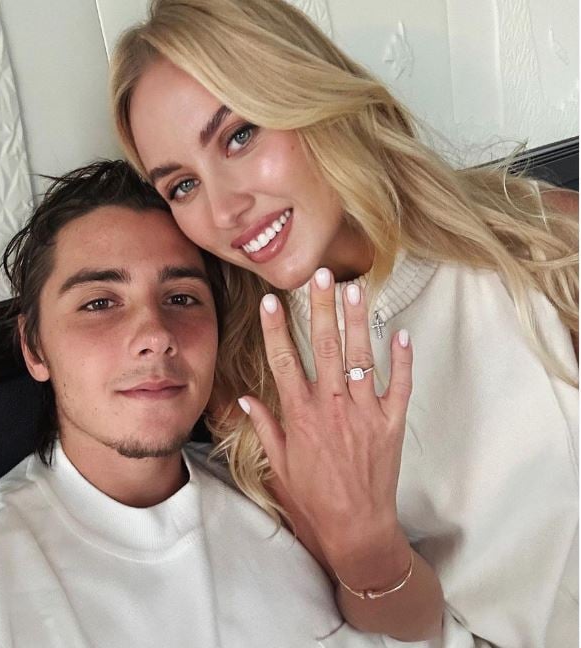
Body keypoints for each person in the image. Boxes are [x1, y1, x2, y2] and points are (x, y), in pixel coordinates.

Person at [110, 1, 579, 646]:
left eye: (240, 136)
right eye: (182, 186)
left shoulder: (539, 241)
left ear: (309, 97)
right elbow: (417, 628)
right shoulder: (250, 380)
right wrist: (365, 545)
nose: (224, 210)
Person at [0, 160, 438, 647]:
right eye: (99, 303)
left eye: (181, 298)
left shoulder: (278, 494)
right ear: (34, 348)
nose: (155, 334)